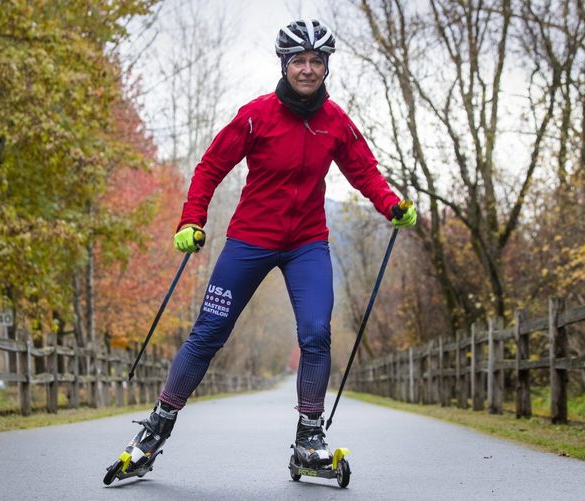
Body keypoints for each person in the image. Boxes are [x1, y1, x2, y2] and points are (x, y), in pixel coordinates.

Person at [117, 18, 416, 477]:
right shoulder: (256, 115)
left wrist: (391, 204)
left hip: (307, 245)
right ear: (285, 64)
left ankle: (309, 439)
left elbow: (366, 172)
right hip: (249, 241)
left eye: (317, 61)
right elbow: (210, 167)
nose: (308, 69)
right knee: (208, 334)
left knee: (316, 332)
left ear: (326, 67)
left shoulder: (335, 121)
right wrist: (192, 218)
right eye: (299, 60)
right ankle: (154, 430)